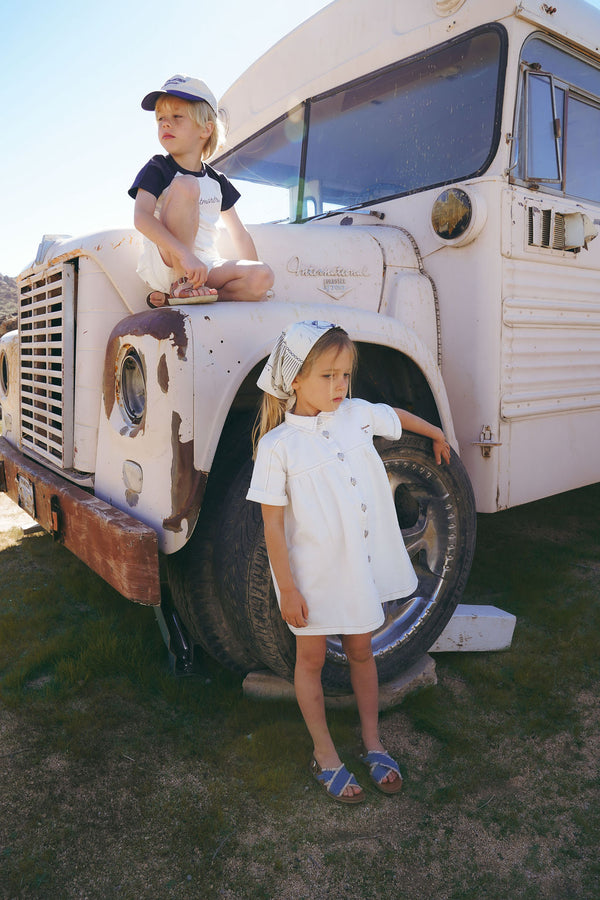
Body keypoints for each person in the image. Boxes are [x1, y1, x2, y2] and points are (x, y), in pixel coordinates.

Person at [246, 321, 451, 804]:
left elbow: (394, 415)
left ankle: (373, 741)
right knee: (311, 659)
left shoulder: (356, 415)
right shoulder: (278, 448)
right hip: (311, 577)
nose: (339, 387)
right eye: (327, 376)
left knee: (362, 650)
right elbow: (273, 527)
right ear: (295, 379)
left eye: (345, 375)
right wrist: (288, 589)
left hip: (354, 569)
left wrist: (435, 430)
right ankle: (325, 753)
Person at [129, 74, 274, 307]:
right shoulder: (158, 168)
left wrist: (254, 276)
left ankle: (191, 296)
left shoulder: (217, 181)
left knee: (263, 275)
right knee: (187, 185)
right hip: (168, 260)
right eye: (161, 119)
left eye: (177, 117)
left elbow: (239, 234)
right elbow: (141, 217)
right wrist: (185, 256)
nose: (166, 123)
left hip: (204, 266)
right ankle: (180, 285)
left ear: (205, 129)